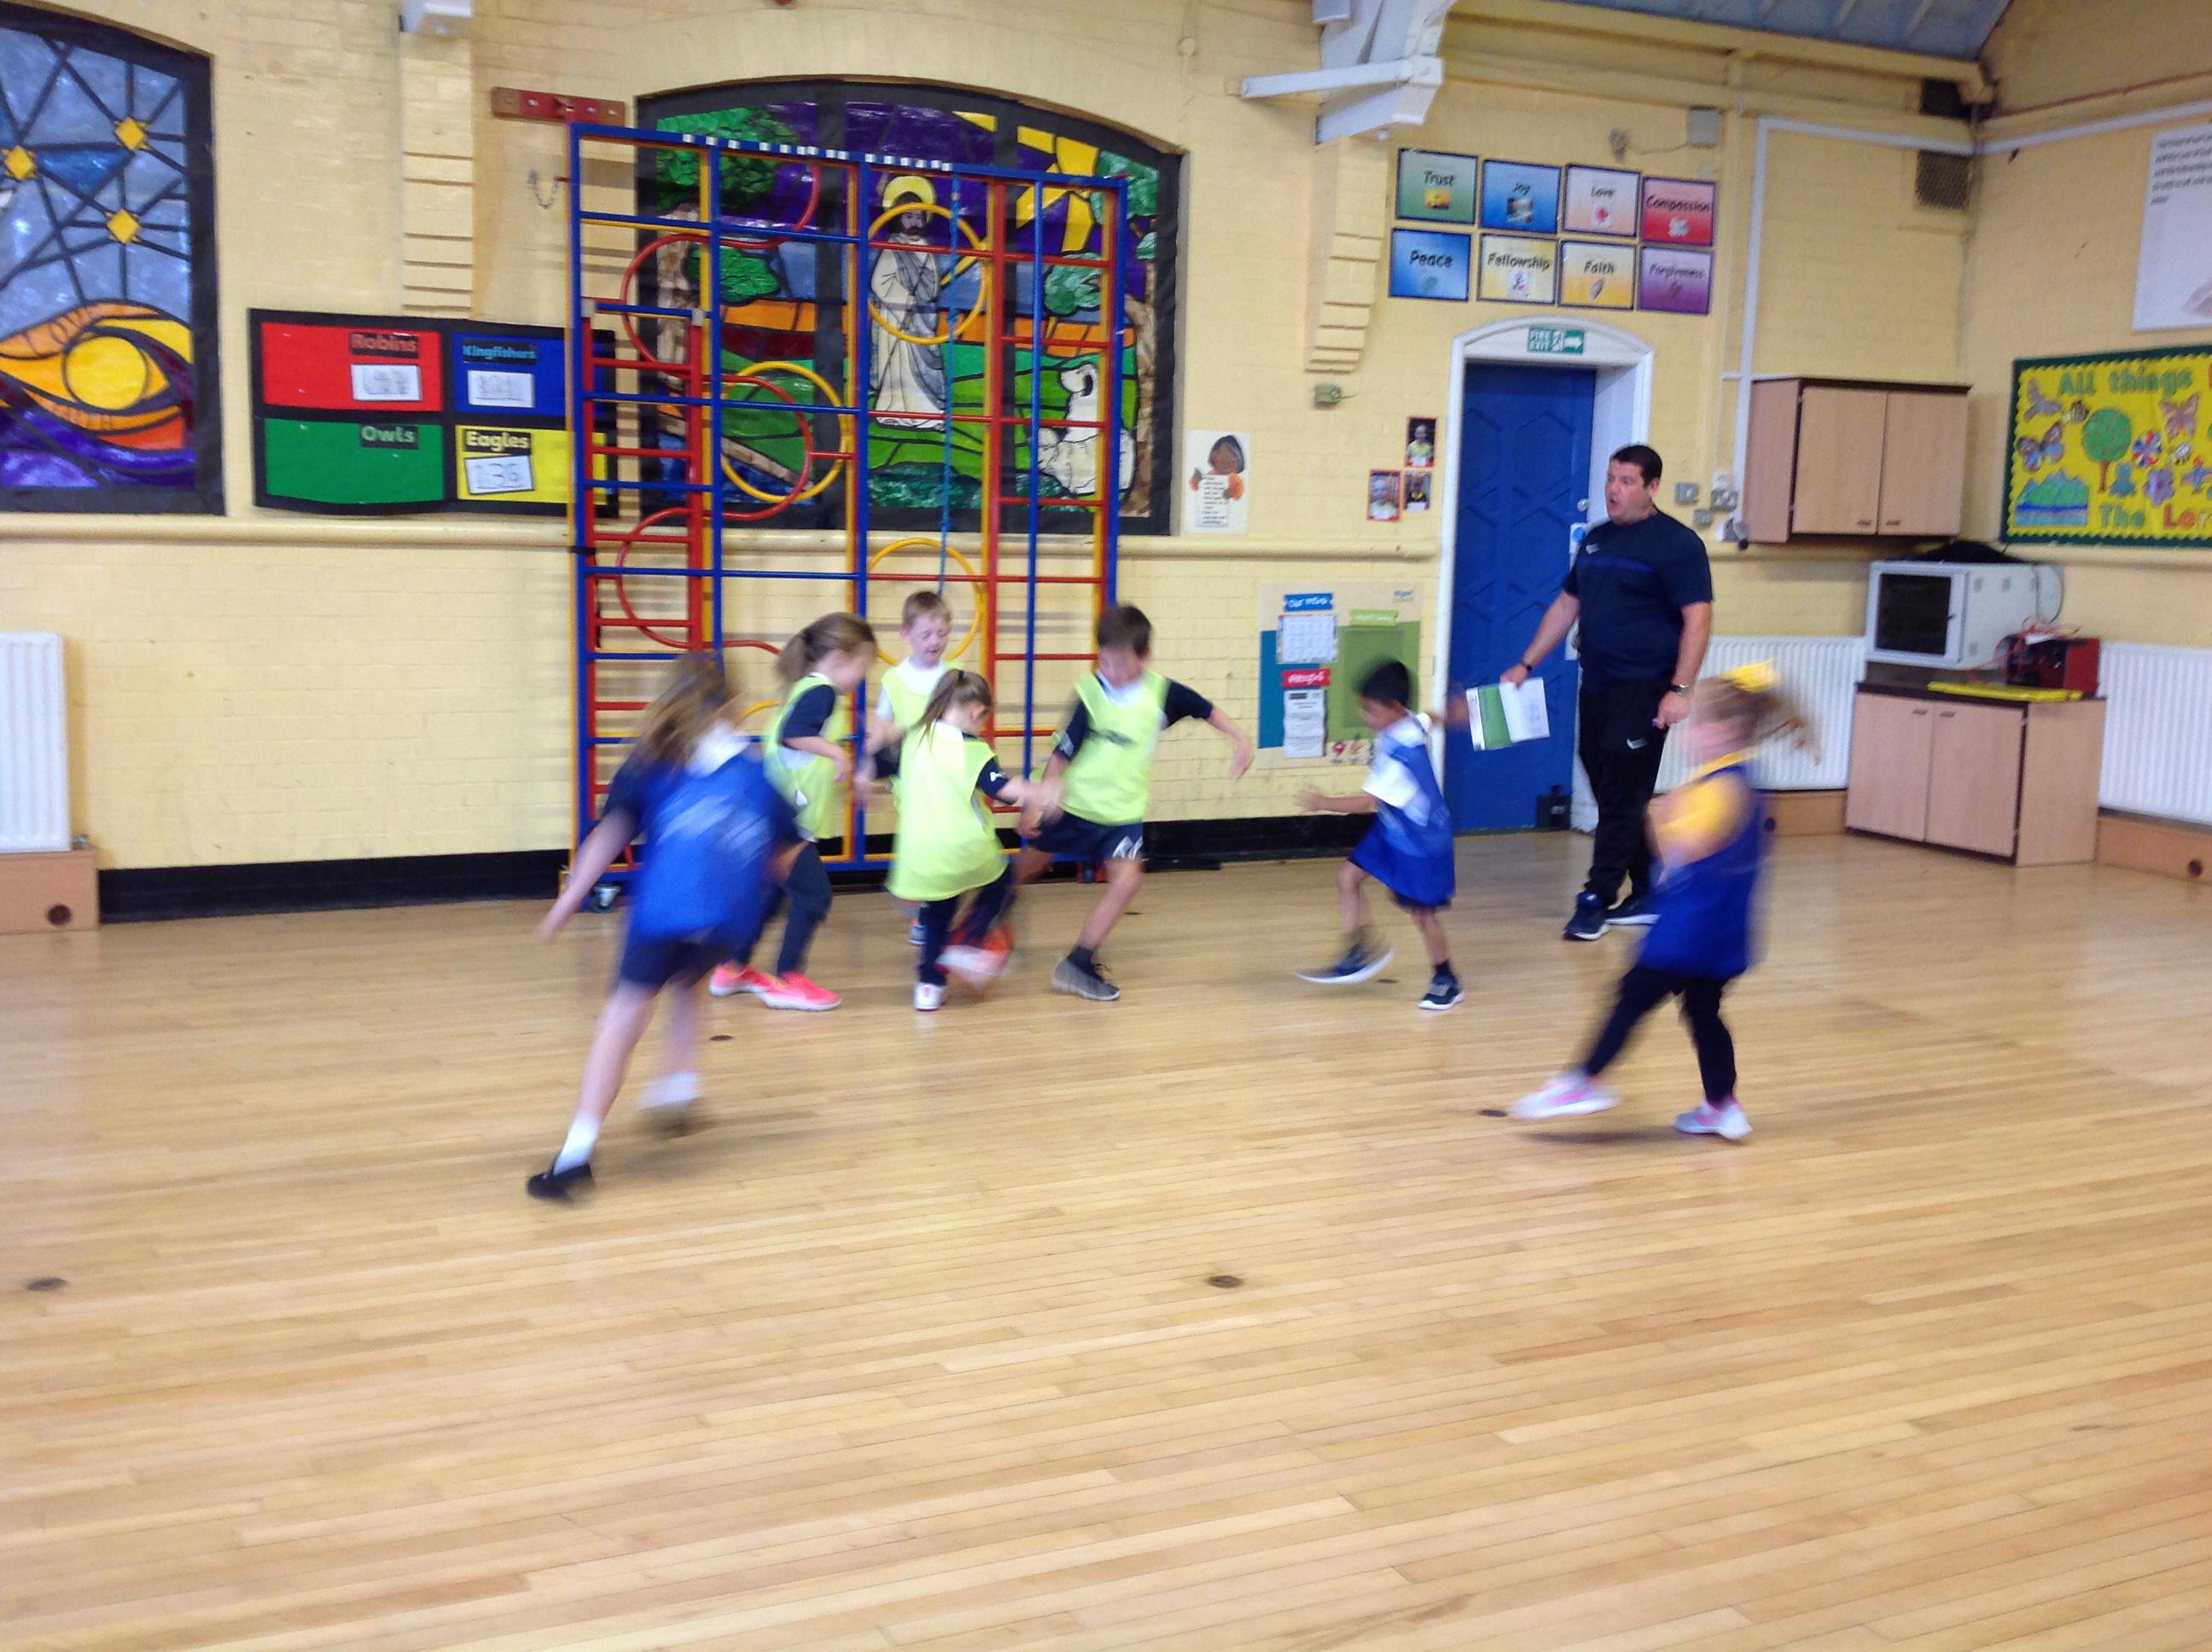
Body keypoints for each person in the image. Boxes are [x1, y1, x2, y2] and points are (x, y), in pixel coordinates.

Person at [528, 654, 800, 1200]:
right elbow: (784, 857)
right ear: (731, 707)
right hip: (725, 923)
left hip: (663, 914)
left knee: (623, 1020)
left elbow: (608, 837)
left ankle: (576, 1154)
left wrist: (568, 901)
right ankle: (679, 1087)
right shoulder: (756, 774)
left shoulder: (650, 763)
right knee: (689, 981)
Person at [1506, 664, 1806, 1142]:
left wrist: (1660, 816)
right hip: (1725, 936)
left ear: (1726, 730)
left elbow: (1682, 848)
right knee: (1703, 1013)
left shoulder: (1720, 790)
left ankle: (1584, 1080)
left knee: (1630, 1000)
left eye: (1698, 723)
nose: (1689, 732)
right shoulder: (1746, 782)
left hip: (1688, 934)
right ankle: (1722, 1106)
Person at [1501, 444, 1712, 941]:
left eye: (1626, 481)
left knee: (1621, 792)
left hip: (1645, 689)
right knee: (1610, 786)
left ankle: (1595, 898)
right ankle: (1652, 888)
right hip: (1597, 682)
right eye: (1611, 479)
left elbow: (1698, 618)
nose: (1613, 490)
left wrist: (1680, 689)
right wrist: (1526, 663)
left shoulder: (1677, 544)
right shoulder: (1596, 540)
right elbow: (1566, 605)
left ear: (1652, 487)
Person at [1015, 604, 1253, 1002]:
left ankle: (1078, 962)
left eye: (1121, 664)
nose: (1110, 671)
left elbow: (1207, 710)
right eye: (1104, 661)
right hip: (1074, 805)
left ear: (1144, 657)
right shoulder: (1091, 694)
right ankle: (989, 909)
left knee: (1128, 881)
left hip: (1121, 814)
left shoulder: (1162, 693)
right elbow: (1060, 755)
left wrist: (1239, 738)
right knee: (1030, 866)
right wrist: (1034, 804)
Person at [709, 613, 876, 1010]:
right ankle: (788, 978)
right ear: (839, 657)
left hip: (771, 815)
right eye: (863, 665)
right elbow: (794, 735)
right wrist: (837, 753)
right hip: (785, 821)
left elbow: (799, 753)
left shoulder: (805, 690)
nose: (863, 676)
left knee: (770, 897)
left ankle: (732, 967)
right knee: (814, 896)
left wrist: (847, 775)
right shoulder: (822, 693)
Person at [1294, 659, 1461, 1011]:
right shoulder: (1406, 723)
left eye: (1371, 710)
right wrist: (1452, 717)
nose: (1364, 716)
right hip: (1392, 829)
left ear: (1395, 708)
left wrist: (1322, 803)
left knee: (1422, 915)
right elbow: (1427, 718)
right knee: (1347, 878)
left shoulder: (1401, 758)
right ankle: (1357, 952)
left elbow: (1365, 803)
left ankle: (1446, 979)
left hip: (1422, 844)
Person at [880, 672, 1046, 1011]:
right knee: (1002, 884)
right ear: (976, 712)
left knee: (938, 914)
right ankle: (968, 941)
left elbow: (878, 763)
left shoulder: (912, 739)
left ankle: (928, 986)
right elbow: (1003, 792)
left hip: (919, 856)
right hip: (965, 850)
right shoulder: (973, 749)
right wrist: (1038, 790)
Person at [868, 589, 955, 947]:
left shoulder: (953, 677)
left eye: (942, 633)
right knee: (923, 845)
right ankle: (923, 911)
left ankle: (933, 910)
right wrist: (866, 766)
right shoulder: (893, 680)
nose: (935, 641)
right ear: (906, 635)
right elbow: (880, 727)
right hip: (911, 780)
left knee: (945, 845)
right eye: (926, 634)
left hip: (946, 776)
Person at [869, 175, 949, 428]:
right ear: (898, 217)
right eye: (909, 216)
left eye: (918, 216)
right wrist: (904, 298)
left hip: (923, 318)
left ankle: (930, 416)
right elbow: (879, 282)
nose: (914, 222)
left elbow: (932, 284)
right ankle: (894, 412)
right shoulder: (893, 248)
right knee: (899, 367)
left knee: (928, 362)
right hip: (898, 317)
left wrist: (925, 296)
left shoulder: (925, 246)